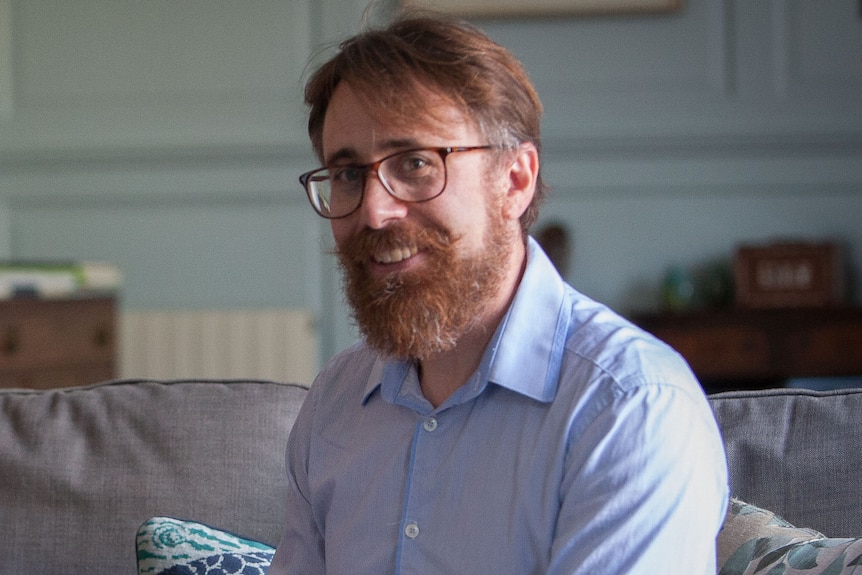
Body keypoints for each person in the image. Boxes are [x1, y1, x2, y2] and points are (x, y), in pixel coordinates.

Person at [269, 12, 728, 575]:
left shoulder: (630, 408)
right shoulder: (334, 405)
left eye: (415, 163)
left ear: (515, 179)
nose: (374, 210)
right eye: (347, 174)